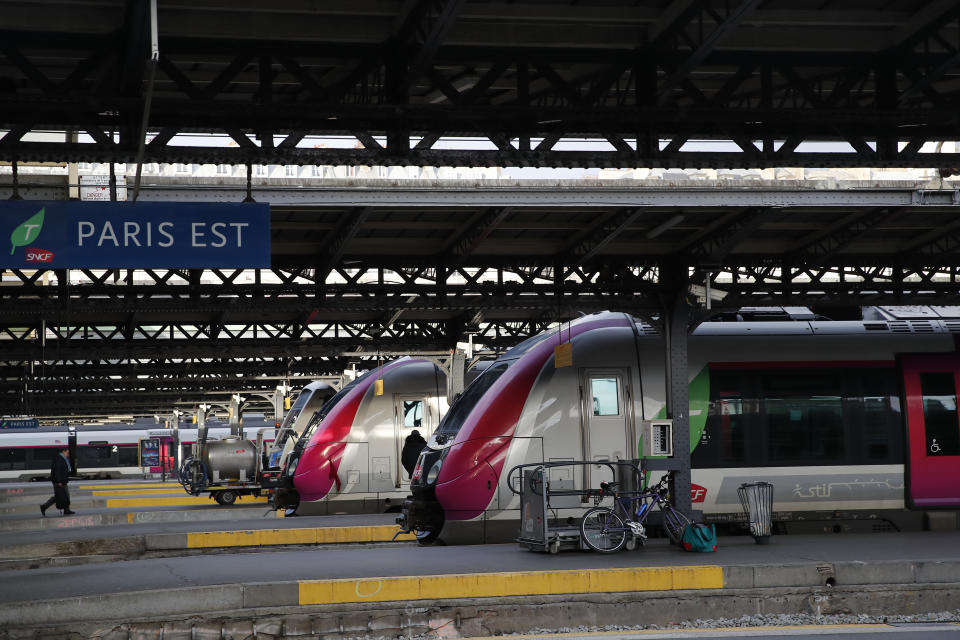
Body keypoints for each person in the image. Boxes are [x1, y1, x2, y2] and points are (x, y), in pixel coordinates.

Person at [40, 447, 75, 516]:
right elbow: (57, 471)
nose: (68, 454)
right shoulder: (59, 459)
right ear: (63, 451)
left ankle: (66, 510)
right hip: (59, 481)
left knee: (64, 495)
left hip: (63, 480)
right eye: (67, 452)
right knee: (60, 496)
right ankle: (44, 506)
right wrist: (59, 481)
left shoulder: (62, 458)